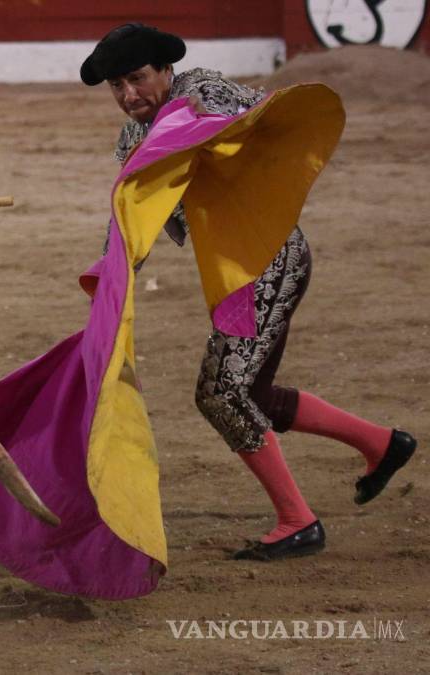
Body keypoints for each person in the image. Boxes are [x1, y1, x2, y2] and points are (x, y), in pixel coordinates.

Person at [79, 23, 417, 561]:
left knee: (223, 393)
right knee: (250, 392)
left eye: (137, 79)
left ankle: (298, 520)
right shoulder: (131, 140)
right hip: (233, 270)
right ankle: (381, 443)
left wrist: (196, 132)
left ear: (166, 71)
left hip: (269, 258)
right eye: (116, 86)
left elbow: (260, 118)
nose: (127, 96)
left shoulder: (204, 90)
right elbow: (132, 219)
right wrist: (110, 278)